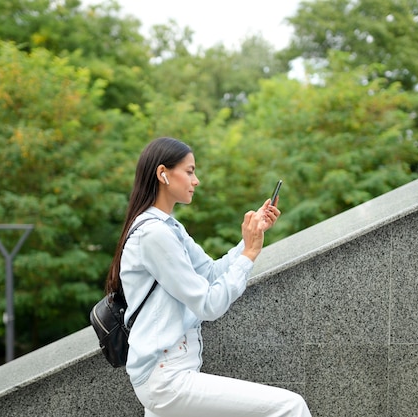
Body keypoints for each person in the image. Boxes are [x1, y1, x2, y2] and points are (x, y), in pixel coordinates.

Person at [106, 137, 312, 417]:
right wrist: (249, 254)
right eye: (189, 171)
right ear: (163, 174)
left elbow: (212, 272)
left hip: (169, 373)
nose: (196, 180)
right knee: (290, 407)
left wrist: (251, 238)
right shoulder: (153, 234)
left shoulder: (169, 227)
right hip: (167, 378)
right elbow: (208, 304)